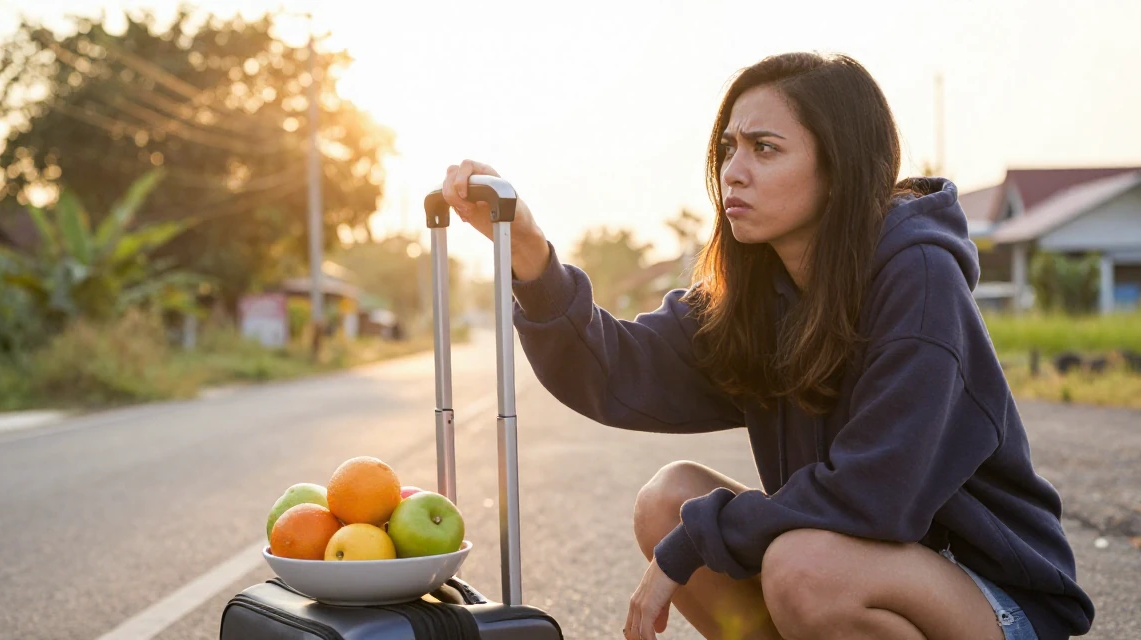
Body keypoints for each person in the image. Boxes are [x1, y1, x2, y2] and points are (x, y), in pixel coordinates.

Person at [440, 52, 1093, 640]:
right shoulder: (757, 294)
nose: (735, 171)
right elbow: (616, 372)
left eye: (765, 149)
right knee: (669, 501)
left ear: (837, 168)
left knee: (800, 567)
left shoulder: (919, 277)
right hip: (863, 570)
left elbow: (876, 496)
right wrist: (529, 253)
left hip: (996, 601)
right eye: (728, 149)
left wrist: (694, 543)